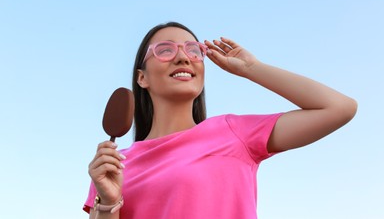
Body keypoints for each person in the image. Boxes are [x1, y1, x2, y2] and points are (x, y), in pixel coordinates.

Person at [83, 22, 357, 218]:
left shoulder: (234, 133)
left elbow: (338, 108)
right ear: (142, 77)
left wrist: (253, 69)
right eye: (165, 50)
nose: (182, 57)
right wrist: (109, 201)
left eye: (193, 50)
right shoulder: (112, 167)